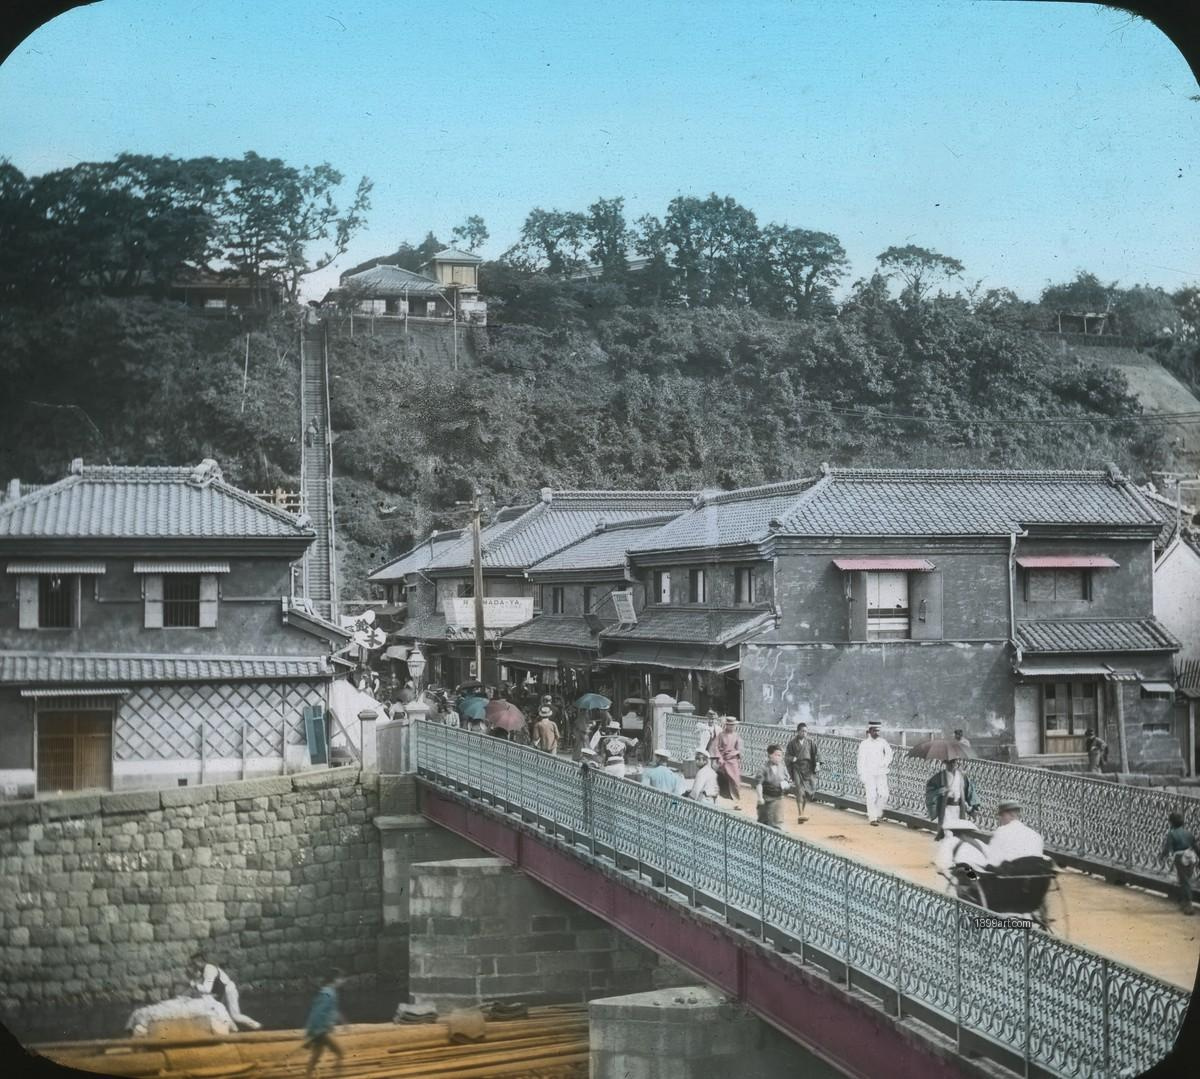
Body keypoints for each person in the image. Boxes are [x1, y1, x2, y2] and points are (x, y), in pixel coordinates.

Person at [188, 953, 261, 1031]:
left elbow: (207, 989)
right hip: (224, 991)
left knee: (235, 1016)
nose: (193, 966)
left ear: (200, 962)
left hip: (229, 990)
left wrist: (194, 985)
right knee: (222, 1012)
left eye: (194, 963)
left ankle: (257, 1025)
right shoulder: (203, 970)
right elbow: (199, 981)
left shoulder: (209, 969)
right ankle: (234, 1030)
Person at [303, 969, 346, 1077]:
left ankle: (308, 1075)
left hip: (321, 1030)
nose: (343, 981)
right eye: (341, 979)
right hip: (321, 1031)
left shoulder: (329, 992)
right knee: (340, 1053)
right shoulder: (328, 993)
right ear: (335, 980)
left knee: (317, 1055)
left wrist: (344, 1022)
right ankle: (337, 1075)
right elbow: (317, 1012)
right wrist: (315, 1032)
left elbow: (332, 1010)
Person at [925, 757, 979, 836]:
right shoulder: (940, 777)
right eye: (950, 762)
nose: (953, 764)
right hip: (946, 809)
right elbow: (930, 791)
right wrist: (940, 791)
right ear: (945, 763)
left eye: (955, 762)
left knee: (958, 833)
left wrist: (972, 809)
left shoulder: (962, 776)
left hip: (958, 808)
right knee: (947, 832)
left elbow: (969, 791)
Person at [1160, 811, 1200, 915]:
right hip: (1191, 857)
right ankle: (1184, 902)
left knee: (1184, 881)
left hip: (1180, 857)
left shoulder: (1172, 834)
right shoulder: (1188, 833)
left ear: (1171, 823)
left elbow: (1168, 848)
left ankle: (1189, 905)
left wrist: (1162, 856)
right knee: (1186, 879)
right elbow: (1196, 847)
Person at [985, 799, 1044, 866]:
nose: (1000, 819)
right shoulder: (1035, 835)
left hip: (1008, 874)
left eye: (1001, 815)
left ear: (1011, 814)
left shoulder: (1001, 832)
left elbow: (992, 861)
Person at [855, 721, 893, 825]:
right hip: (869, 773)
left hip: (881, 772)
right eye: (875, 730)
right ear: (870, 731)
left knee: (884, 794)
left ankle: (878, 813)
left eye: (878, 730)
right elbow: (860, 760)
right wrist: (861, 774)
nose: (877, 733)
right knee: (871, 796)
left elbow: (889, 754)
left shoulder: (883, 742)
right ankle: (873, 818)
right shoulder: (864, 744)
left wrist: (884, 763)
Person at [784, 721, 819, 821]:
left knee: (808, 793)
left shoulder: (810, 742)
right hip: (797, 769)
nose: (804, 733)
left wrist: (817, 764)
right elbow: (787, 756)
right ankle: (800, 813)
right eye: (802, 731)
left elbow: (816, 754)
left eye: (806, 731)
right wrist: (792, 759)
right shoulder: (792, 743)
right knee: (799, 791)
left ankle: (802, 812)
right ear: (798, 732)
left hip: (808, 769)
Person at [708, 716, 745, 809]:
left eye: (733, 725)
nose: (732, 727)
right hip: (723, 760)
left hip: (733, 761)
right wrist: (719, 758)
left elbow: (740, 748)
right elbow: (715, 747)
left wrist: (737, 754)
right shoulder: (721, 735)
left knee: (736, 780)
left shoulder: (736, 736)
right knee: (719, 779)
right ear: (726, 725)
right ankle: (720, 800)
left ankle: (737, 801)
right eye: (730, 725)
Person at [753, 744, 793, 828]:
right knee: (763, 823)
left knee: (777, 822)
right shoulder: (763, 768)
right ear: (770, 755)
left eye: (780, 755)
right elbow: (759, 783)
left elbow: (788, 781)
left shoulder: (782, 767)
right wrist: (760, 797)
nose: (779, 757)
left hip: (778, 798)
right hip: (766, 798)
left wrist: (786, 785)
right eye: (777, 755)